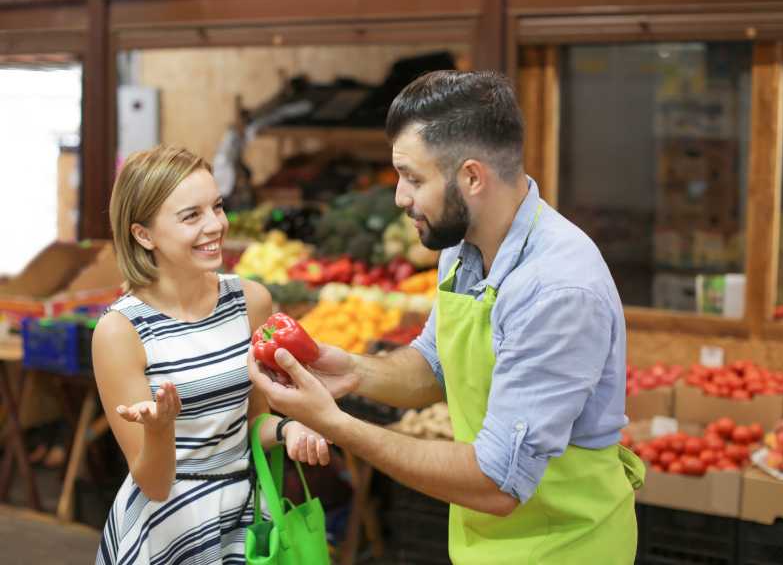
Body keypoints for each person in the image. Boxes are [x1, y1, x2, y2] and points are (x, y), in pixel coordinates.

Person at [249, 71, 644, 564]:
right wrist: (351, 371)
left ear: (472, 178)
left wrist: (336, 426)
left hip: (564, 547)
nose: (399, 196)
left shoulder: (556, 289)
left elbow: (498, 482)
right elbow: (434, 366)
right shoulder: (462, 246)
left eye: (413, 178)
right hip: (486, 546)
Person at [93, 145, 331, 565]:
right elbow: (153, 483)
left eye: (216, 207)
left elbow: (252, 420)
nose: (215, 225)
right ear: (143, 234)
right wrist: (161, 430)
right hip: (167, 530)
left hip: (244, 520)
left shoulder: (251, 301)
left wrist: (288, 430)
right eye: (191, 216)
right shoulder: (121, 331)